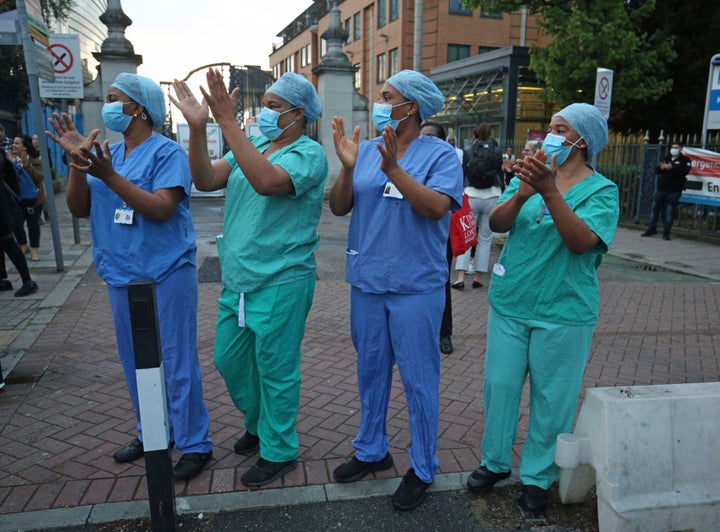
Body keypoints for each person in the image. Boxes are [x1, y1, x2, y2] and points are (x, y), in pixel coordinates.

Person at [46, 73, 213, 480]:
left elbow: (160, 209)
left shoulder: (166, 153)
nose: (106, 105)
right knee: (135, 361)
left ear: (138, 108)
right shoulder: (108, 154)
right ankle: (152, 431)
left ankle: (194, 443)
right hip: (121, 274)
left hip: (167, 271)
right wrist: (78, 165)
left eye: (114, 98)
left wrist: (107, 175)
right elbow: (80, 209)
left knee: (176, 361)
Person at [170, 69, 328, 487]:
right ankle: (259, 423)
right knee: (230, 359)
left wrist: (226, 123)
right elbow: (205, 179)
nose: (266, 113)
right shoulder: (254, 142)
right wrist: (200, 127)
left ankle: (279, 450)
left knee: (276, 369)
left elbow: (266, 181)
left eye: (276, 106)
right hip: (239, 279)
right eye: (266, 104)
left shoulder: (308, 155)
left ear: (300, 114)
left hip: (282, 279)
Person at [465, 103, 619, 517]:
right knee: (499, 386)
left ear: (582, 141)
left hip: (563, 312)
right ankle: (494, 462)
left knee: (553, 400)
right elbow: (496, 224)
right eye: (549, 127)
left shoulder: (601, 191)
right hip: (511, 302)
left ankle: (537, 478)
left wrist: (550, 192)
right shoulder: (533, 178)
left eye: (559, 129)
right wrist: (522, 194)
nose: (548, 135)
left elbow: (581, 242)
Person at [330, 70, 463, 511]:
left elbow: (434, 207)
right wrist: (350, 169)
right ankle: (372, 449)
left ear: (413, 107)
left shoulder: (442, 155)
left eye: (388, 96)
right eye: (379, 95)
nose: (378, 102)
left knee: (419, 379)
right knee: (370, 371)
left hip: (415, 287)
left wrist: (393, 169)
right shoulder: (367, 150)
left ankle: (423, 465)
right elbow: (339, 206)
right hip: (368, 281)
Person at [452, 123, 503, 291]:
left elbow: (463, 174)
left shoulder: (468, 150)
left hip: (471, 195)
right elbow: (499, 173)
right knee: (485, 239)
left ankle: (460, 277)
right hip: (492, 195)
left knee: (467, 235)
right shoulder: (496, 150)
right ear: (490, 134)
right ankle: (478, 277)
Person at [421, 121, 455, 355]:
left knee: (441, 283)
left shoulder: (446, 162)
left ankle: (445, 333)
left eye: (431, 137)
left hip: (440, 236)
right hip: (415, 238)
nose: (424, 140)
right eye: (421, 136)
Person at [0, 149, 39, 297]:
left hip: (3, 208)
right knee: (5, 243)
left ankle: (28, 281)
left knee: (8, 242)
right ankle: (3, 279)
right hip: (4, 206)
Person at [641, 142, 691, 241]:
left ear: (681, 149)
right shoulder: (666, 158)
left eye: (676, 147)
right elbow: (656, 171)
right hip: (661, 189)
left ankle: (666, 233)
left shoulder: (685, 160)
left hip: (674, 191)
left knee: (669, 211)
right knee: (655, 209)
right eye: (672, 147)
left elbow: (684, 171)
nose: (674, 149)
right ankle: (651, 229)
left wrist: (671, 168)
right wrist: (661, 167)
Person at [11, 135, 45, 262]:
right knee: (17, 223)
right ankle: (23, 245)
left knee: (33, 224)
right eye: (13, 143)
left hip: (33, 198)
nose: (13, 145)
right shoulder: (9, 159)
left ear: (25, 147)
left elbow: (38, 178)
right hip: (16, 199)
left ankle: (34, 249)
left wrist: (26, 164)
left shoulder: (35, 161)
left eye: (17, 143)